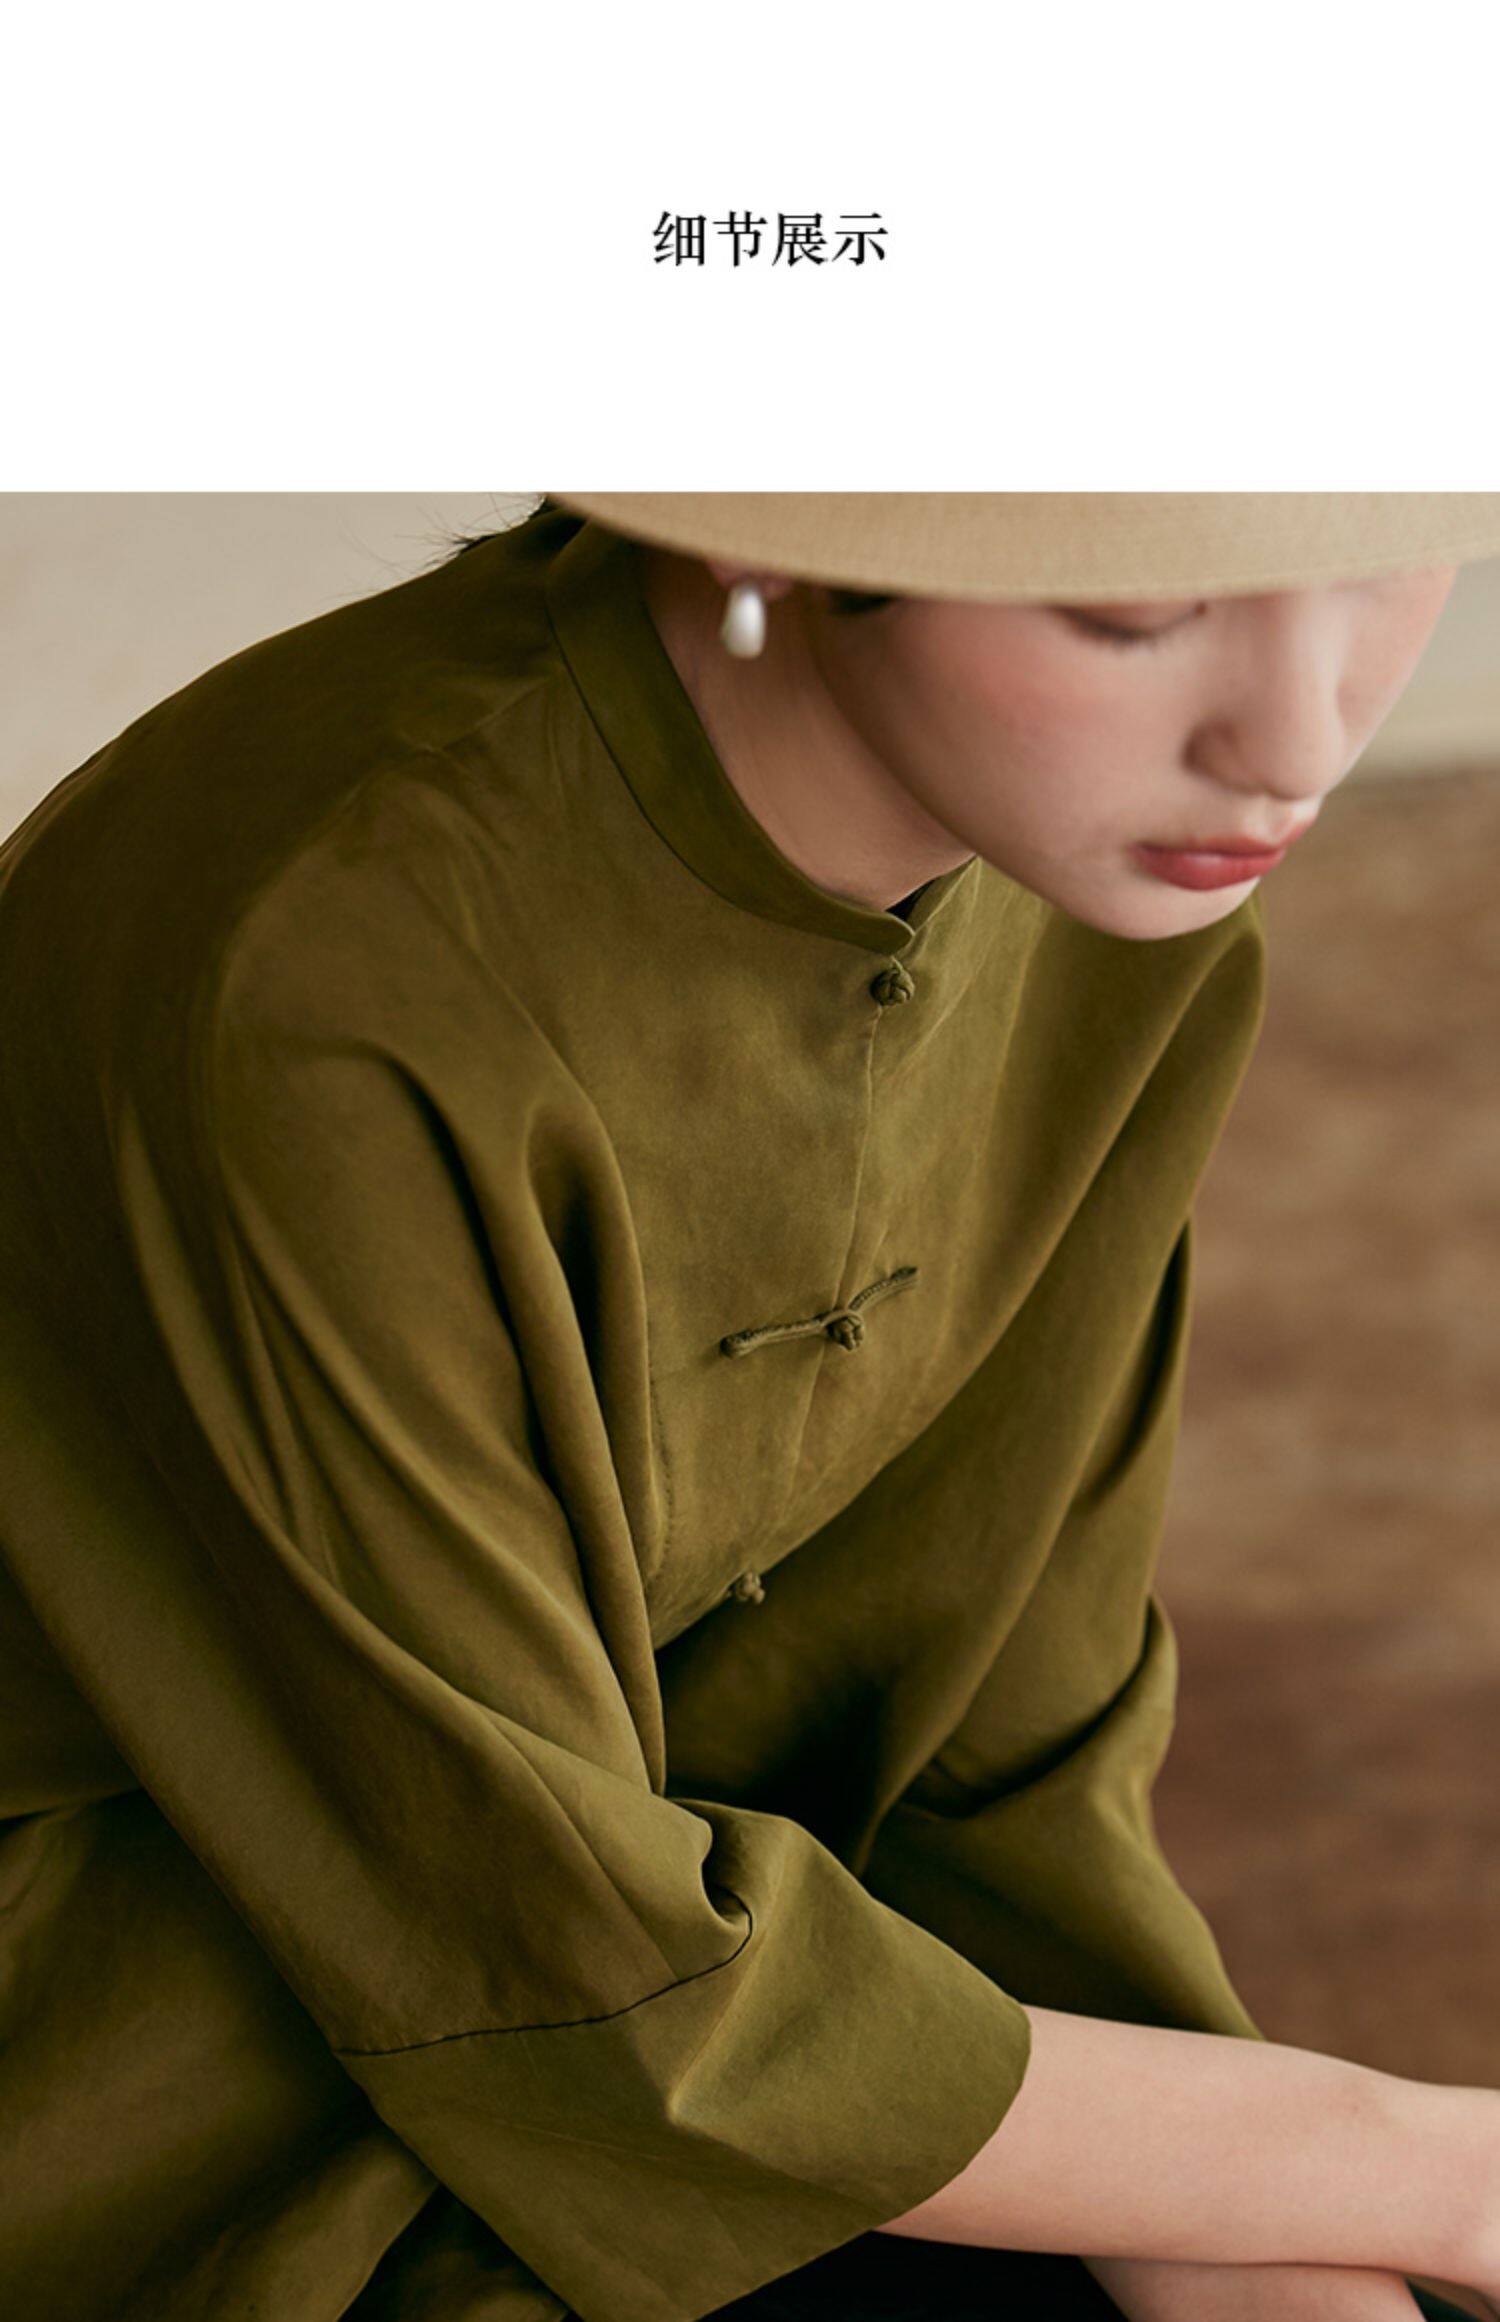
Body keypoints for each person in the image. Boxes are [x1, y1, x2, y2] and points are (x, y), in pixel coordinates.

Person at [1, 491, 1498, 2322]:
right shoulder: (320, 979)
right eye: (1137, 610)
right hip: (160, 2060)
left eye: (1377, 556)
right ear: (772, 521)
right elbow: (574, 1989)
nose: (1295, 740)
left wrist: (1291, 2247)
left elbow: (985, 1754)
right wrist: (1414, 2165)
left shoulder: (1109, 883)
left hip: (685, 1988)